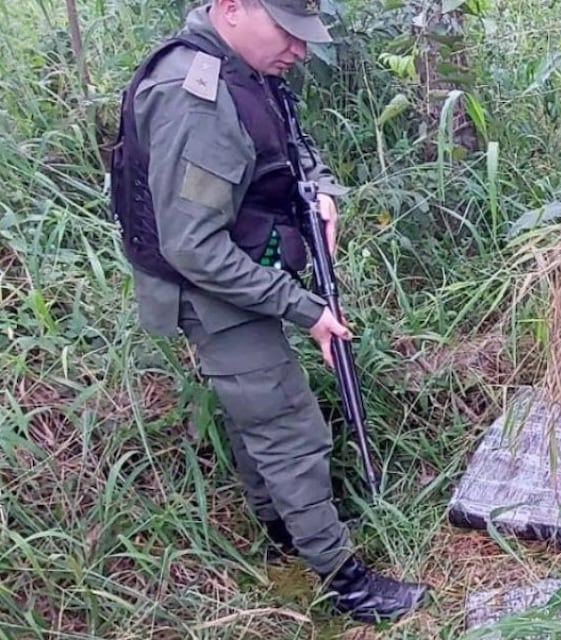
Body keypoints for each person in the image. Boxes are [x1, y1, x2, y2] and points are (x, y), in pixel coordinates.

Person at [107, 0, 430, 624]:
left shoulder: (245, 67)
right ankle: (345, 581)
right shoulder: (193, 98)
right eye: (288, 32)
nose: (300, 50)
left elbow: (293, 146)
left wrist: (326, 196)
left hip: (247, 270)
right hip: (211, 290)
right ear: (232, 9)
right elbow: (193, 246)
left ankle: (282, 526)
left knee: (259, 417)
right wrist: (304, 309)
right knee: (289, 429)